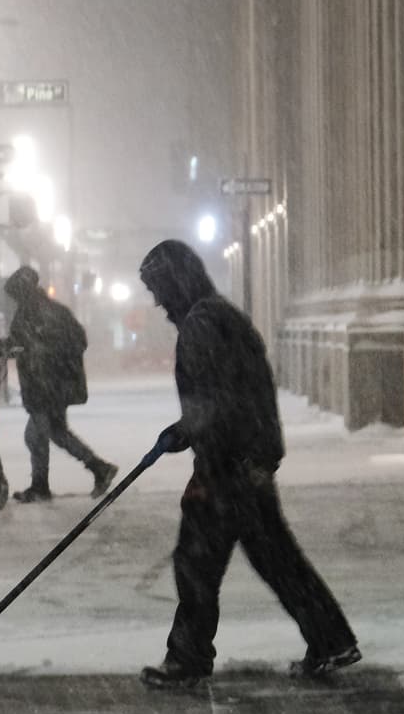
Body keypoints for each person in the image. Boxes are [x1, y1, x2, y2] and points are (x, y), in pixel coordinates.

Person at [137, 239, 359, 687]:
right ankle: (332, 640)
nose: (157, 302)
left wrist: (207, 465)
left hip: (229, 466)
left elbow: (218, 403)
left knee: (196, 563)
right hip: (249, 460)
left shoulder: (201, 325)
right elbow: (232, 395)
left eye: (158, 288)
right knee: (277, 560)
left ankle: (187, 658)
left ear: (176, 283)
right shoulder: (220, 315)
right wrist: (191, 431)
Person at [0, 266, 118, 503]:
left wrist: (34, 352)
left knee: (35, 436)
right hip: (54, 385)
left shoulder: (33, 313)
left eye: (15, 294)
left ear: (22, 291)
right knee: (56, 433)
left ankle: (40, 487)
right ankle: (98, 467)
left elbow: (29, 345)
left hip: (44, 386)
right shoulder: (51, 310)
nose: (13, 299)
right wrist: (7, 347)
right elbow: (31, 344)